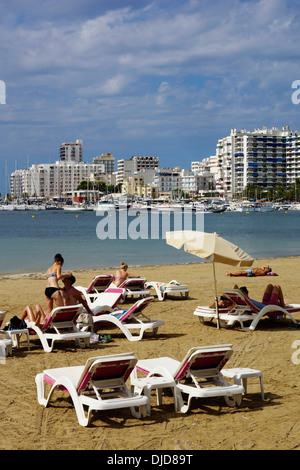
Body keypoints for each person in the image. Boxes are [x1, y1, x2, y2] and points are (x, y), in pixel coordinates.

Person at [26, 275, 94, 328]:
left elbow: (83, 301)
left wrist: (89, 311)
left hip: (68, 316)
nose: (63, 278)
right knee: (44, 313)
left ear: (69, 281)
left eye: (65, 277)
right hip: (63, 314)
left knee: (42, 313)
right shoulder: (61, 291)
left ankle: (36, 324)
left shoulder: (74, 292)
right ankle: (36, 323)